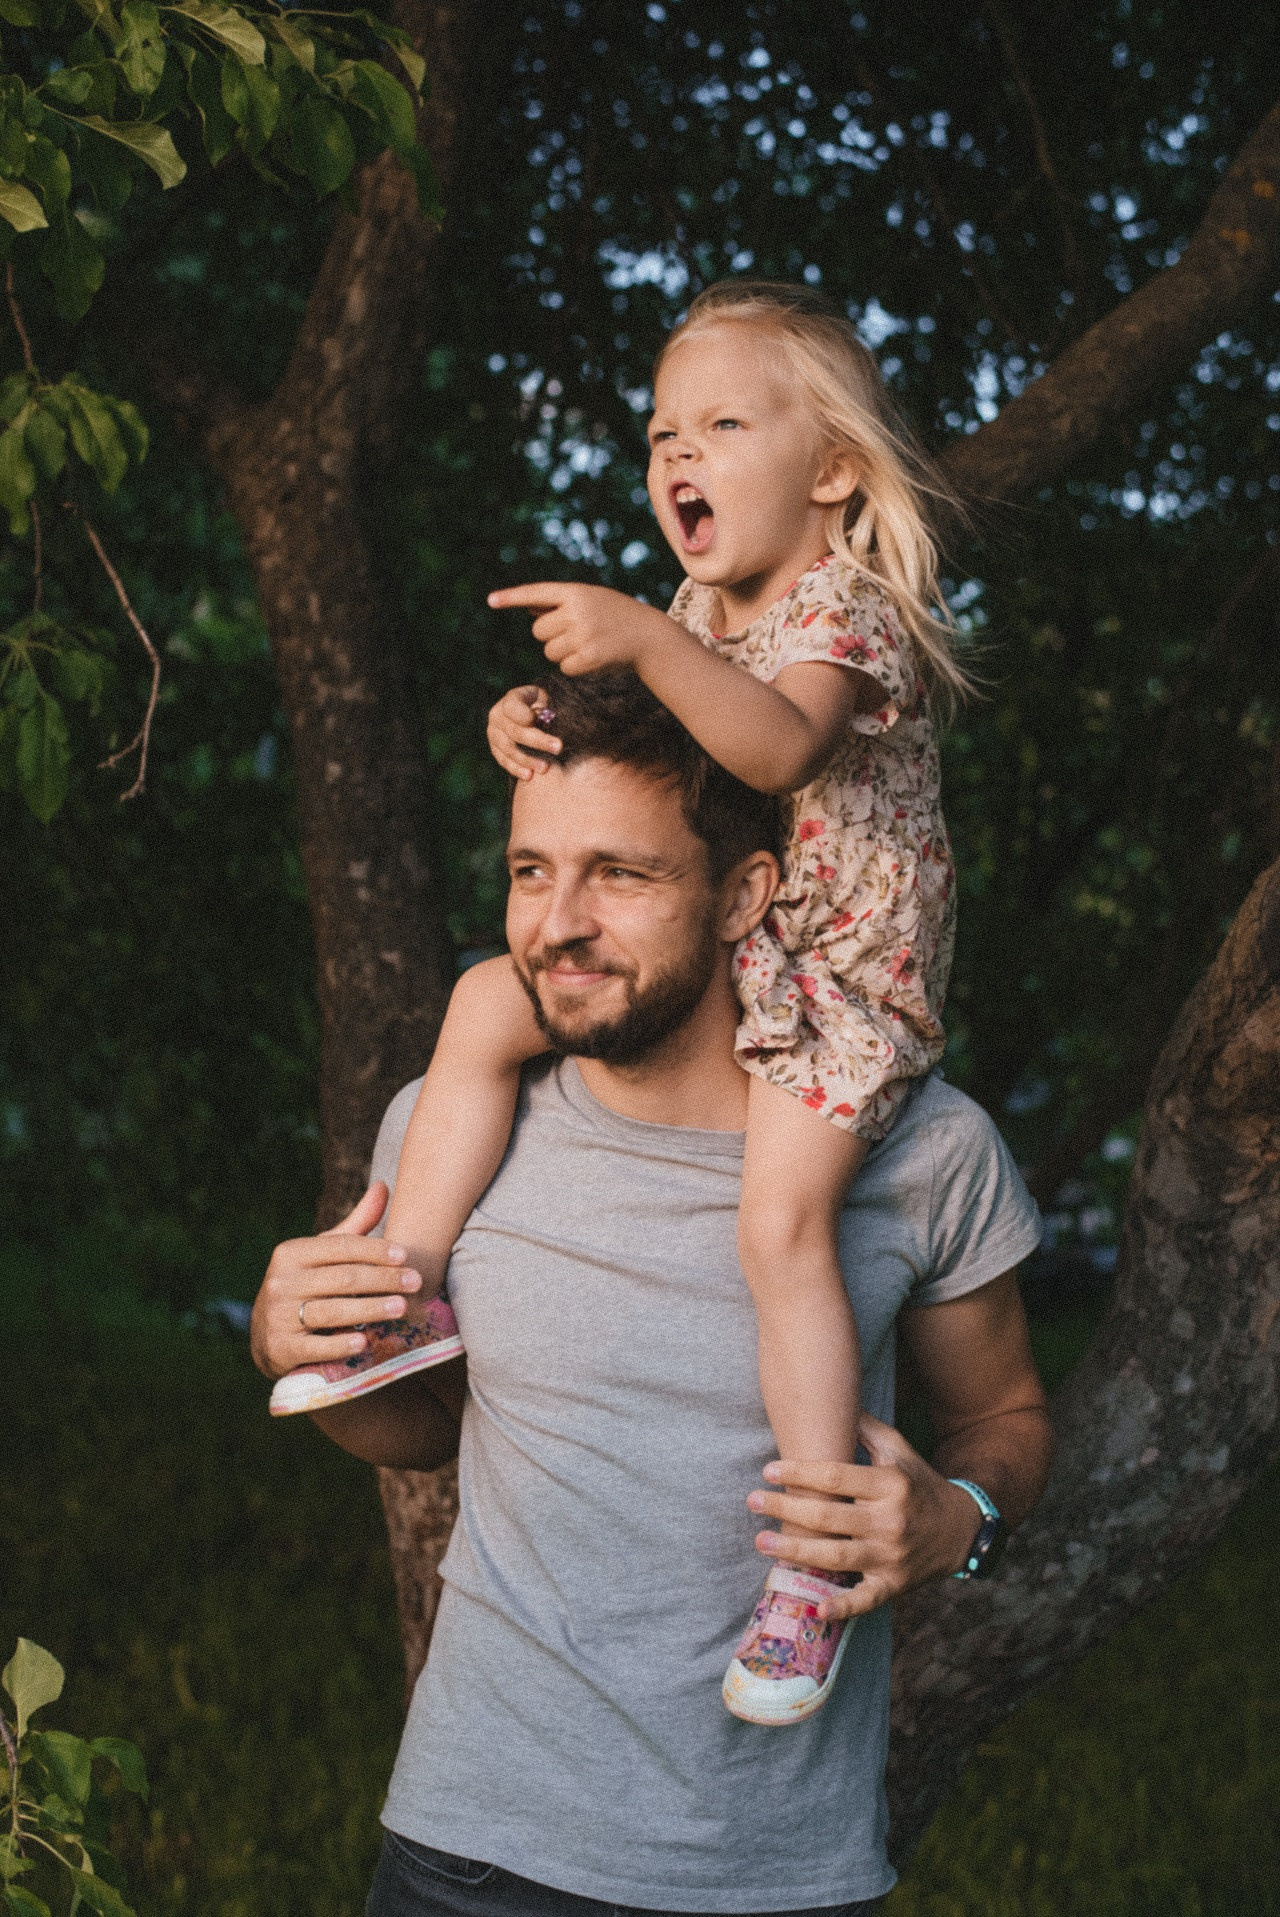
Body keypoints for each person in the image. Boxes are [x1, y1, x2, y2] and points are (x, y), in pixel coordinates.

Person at [271, 281, 973, 1726]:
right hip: (732, 952)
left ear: (834, 472)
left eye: (723, 425)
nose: (678, 455)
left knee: (779, 1228)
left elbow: (771, 751)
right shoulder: (700, 611)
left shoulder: (845, 611)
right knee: (483, 1002)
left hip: (841, 980)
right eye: (662, 433)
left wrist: (648, 645)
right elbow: (650, 762)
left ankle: (809, 1558)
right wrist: (528, 723)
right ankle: (402, 1293)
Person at [251, 674, 1052, 1915]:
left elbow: (1005, 1416)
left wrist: (959, 1519)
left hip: (774, 1873)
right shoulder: (454, 1123)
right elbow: (422, 1430)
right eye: (529, 872)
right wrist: (293, 1342)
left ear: (742, 895)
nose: (556, 925)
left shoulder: (922, 1149)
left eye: (619, 875)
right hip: (470, 1849)